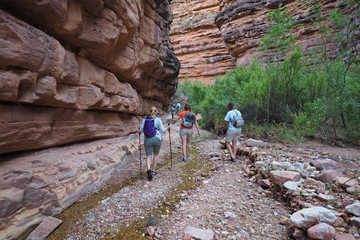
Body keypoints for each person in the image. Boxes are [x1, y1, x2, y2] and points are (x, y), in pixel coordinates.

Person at [139, 106, 169, 181]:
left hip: (148, 139)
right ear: (156, 112)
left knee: (148, 156)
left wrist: (138, 131)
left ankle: (148, 169)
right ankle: (153, 171)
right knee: (155, 155)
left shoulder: (145, 120)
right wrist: (168, 127)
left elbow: (141, 130)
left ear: (150, 111)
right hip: (157, 138)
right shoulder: (158, 119)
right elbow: (163, 131)